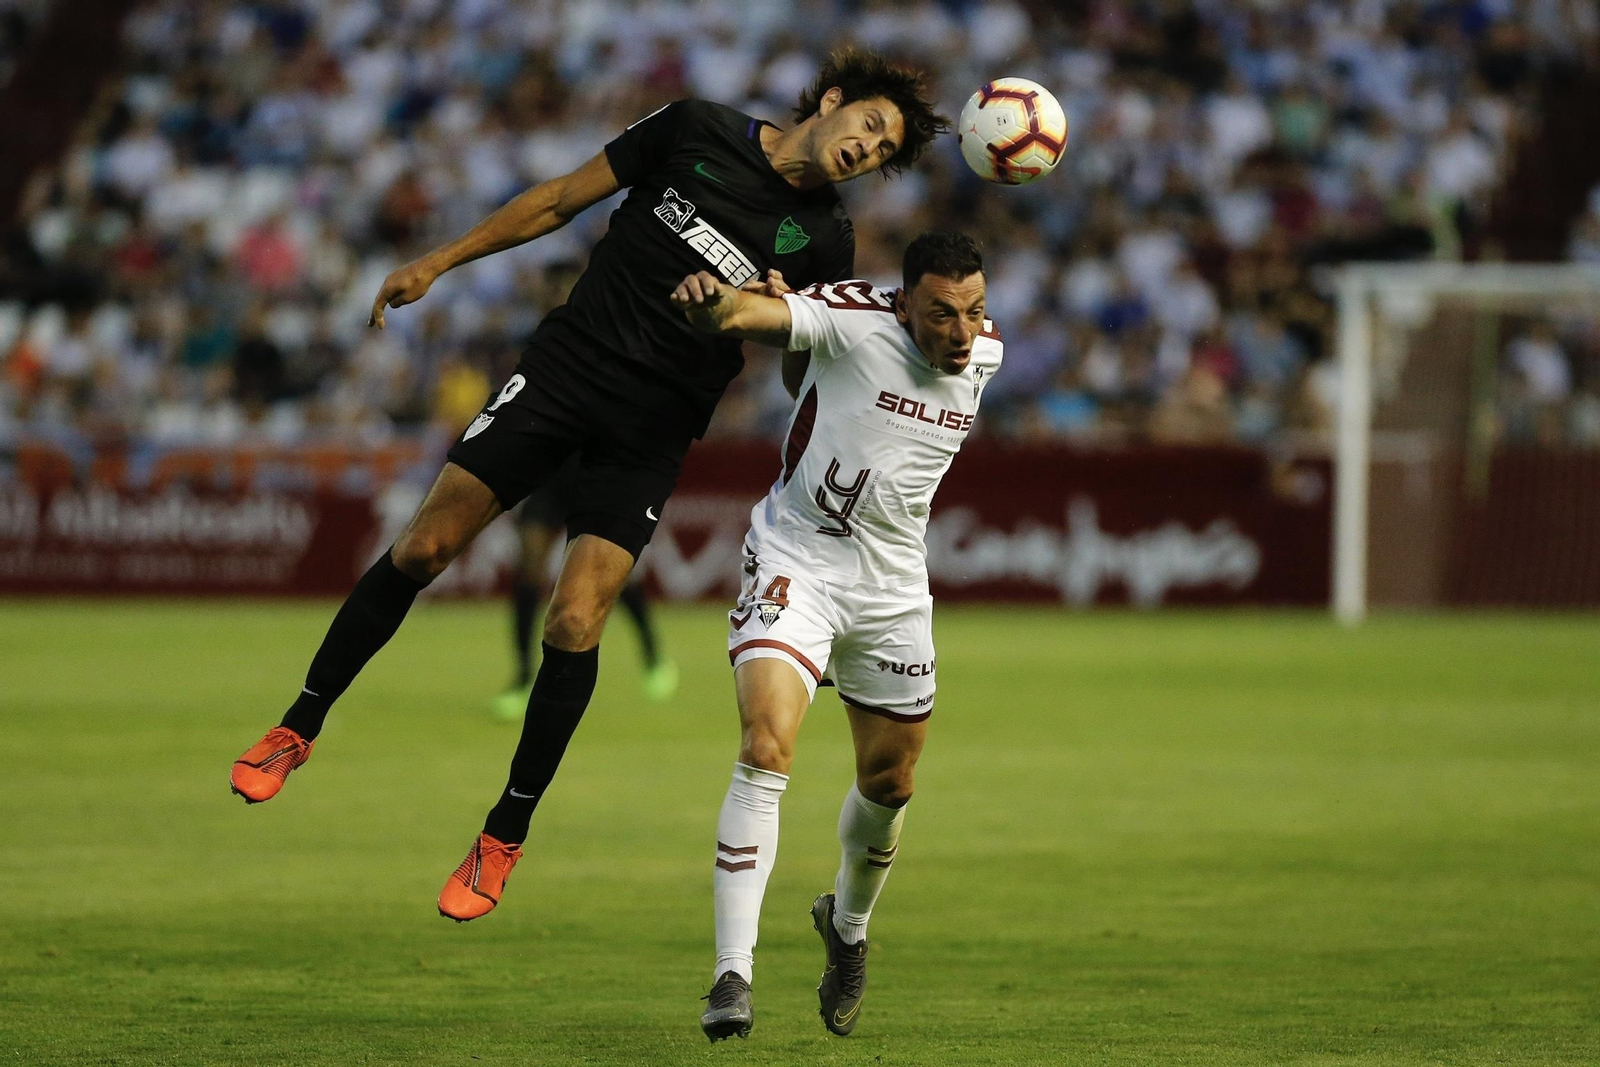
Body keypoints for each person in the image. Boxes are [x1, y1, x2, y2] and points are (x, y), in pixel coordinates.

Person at [228, 49, 949, 926]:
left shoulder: (823, 240)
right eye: (869, 125)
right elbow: (560, 199)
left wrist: (776, 318)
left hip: (652, 426)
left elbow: (804, 367)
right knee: (425, 545)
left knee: (574, 620)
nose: (867, 149)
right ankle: (297, 726)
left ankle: (504, 833)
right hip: (566, 371)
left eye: (883, 151)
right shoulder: (695, 129)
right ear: (831, 100)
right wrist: (440, 261)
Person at [667, 232, 1003, 1041]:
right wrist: (714, 302)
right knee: (766, 745)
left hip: (892, 589)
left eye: (974, 310)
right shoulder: (852, 316)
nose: (961, 331)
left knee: (891, 782)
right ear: (903, 303)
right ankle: (732, 974)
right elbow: (760, 319)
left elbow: (807, 374)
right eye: (941, 313)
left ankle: (847, 928)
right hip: (798, 559)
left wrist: (793, 346)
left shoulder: (986, 355)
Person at [493, 456, 678, 722]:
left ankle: (652, 654)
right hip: (551, 474)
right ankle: (522, 678)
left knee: (615, 572)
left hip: (596, 473)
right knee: (529, 570)